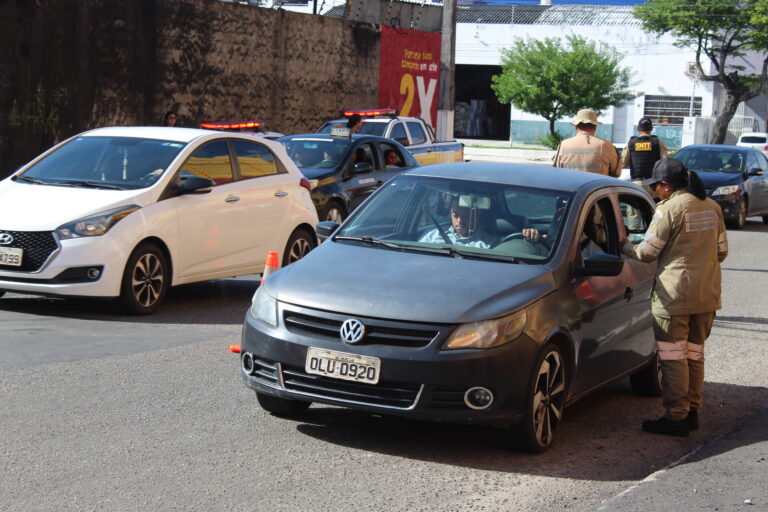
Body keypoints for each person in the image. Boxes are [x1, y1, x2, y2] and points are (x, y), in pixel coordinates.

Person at [621, 158, 728, 437]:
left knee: (673, 357)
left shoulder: (669, 209)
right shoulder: (712, 207)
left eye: (655, 186)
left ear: (666, 186)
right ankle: (691, 411)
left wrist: (624, 245)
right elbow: (721, 252)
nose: (655, 191)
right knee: (694, 353)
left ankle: (676, 416)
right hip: (706, 296)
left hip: (674, 297)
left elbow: (646, 252)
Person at [419, 195, 540, 249]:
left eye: (465, 215)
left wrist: (529, 238)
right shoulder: (431, 236)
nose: (460, 220)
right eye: (455, 215)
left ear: (476, 214)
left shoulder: (490, 244)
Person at [553, 109, 620, 177]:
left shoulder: (564, 144)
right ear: (595, 127)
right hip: (597, 183)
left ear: (576, 127)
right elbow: (616, 173)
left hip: (570, 183)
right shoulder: (606, 145)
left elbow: (557, 170)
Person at [621, 117, 669, 191]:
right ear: (651, 129)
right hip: (653, 184)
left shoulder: (631, 143)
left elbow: (623, 163)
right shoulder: (657, 141)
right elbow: (665, 162)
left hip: (637, 185)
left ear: (638, 129)